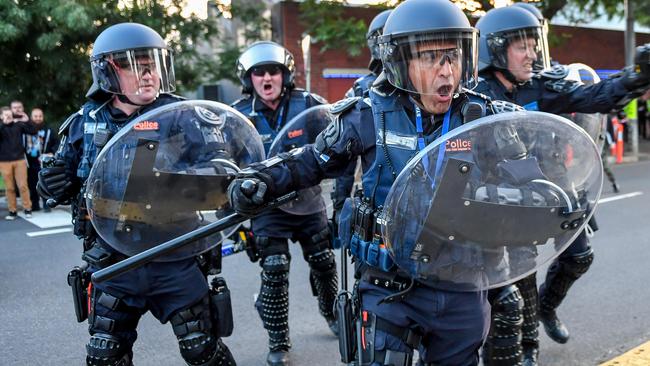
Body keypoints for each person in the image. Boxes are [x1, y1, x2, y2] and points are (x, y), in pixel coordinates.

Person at [227, 0, 555, 364]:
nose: (446, 71)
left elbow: (533, 185)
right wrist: (261, 182)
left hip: (462, 284)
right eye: (430, 58)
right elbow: (309, 163)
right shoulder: (366, 115)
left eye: (453, 56)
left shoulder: (487, 119)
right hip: (388, 286)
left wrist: (546, 199)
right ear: (401, 63)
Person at [36, 23, 236, 366]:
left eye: (152, 63)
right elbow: (63, 181)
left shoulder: (183, 116)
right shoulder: (86, 121)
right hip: (114, 260)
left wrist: (173, 187)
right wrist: (50, 183)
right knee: (105, 354)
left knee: (201, 348)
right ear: (107, 72)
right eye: (133, 64)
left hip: (174, 251)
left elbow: (222, 176)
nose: (147, 74)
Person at [474, 6, 650, 365]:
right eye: (521, 46)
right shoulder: (477, 95)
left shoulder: (544, 82)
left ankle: (547, 306)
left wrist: (636, 78)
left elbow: (595, 95)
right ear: (496, 50)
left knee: (580, 257)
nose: (533, 53)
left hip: (556, 190)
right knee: (521, 271)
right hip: (512, 201)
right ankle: (528, 347)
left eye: (533, 44)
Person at [231, 41, 338, 366]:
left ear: (284, 75)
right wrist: (236, 221)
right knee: (275, 271)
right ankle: (278, 341)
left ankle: (332, 313)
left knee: (323, 262)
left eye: (273, 71)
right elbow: (226, 168)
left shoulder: (309, 105)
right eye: (259, 72)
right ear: (249, 78)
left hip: (308, 203)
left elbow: (338, 145)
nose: (266, 78)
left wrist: (343, 198)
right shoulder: (238, 115)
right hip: (267, 210)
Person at [0, 103, 36, 220]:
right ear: (1, 116)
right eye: (5, 115)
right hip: (4, 162)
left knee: (23, 186)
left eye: (9, 115)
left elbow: (33, 131)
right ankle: (12, 211)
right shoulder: (1, 127)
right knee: (9, 188)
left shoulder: (18, 125)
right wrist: (3, 124)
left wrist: (27, 120)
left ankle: (27, 209)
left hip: (20, 160)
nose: (8, 117)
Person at [24, 108, 59, 212]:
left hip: (44, 161)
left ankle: (46, 204)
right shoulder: (25, 130)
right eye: (35, 116)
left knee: (45, 183)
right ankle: (34, 205)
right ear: (31, 117)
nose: (38, 118)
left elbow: (56, 143)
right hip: (30, 161)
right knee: (32, 183)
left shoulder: (48, 130)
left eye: (40, 116)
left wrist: (52, 152)